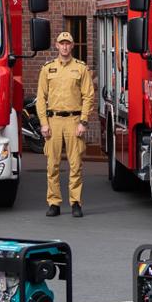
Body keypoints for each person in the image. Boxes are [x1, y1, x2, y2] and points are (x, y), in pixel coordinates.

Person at [36, 31, 94, 217]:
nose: (65, 46)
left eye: (68, 43)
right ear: (57, 45)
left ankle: (75, 203)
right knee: (52, 165)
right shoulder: (48, 69)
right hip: (53, 121)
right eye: (62, 43)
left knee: (75, 164)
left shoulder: (81, 68)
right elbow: (40, 98)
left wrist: (83, 121)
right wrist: (44, 123)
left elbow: (88, 96)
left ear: (72, 46)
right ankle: (54, 203)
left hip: (73, 120)